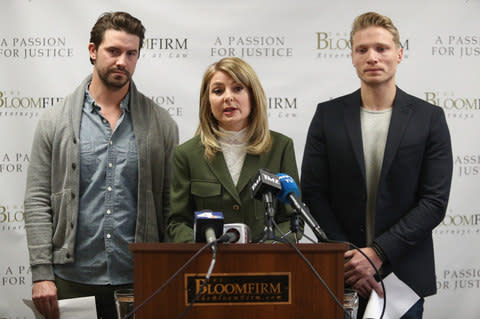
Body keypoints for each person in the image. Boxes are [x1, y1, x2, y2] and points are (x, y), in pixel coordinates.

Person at [24, 11, 178, 319]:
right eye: (113, 51)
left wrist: (167, 271)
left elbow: (171, 205)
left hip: (140, 279)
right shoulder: (55, 121)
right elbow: (38, 200)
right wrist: (42, 274)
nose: (122, 60)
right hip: (71, 282)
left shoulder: (161, 124)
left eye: (131, 53)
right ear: (93, 51)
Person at [301, 12, 452, 318]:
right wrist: (350, 258)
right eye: (362, 49)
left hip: (403, 279)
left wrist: (377, 254)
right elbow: (314, 194)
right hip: (342, 275)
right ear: (352, 58)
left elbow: (433, 202)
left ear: (399, 53)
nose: (372, 57)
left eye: (381, 48)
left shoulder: (429, 118)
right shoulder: (327, 116)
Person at [167, 57, 299, 243]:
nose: (228, 97)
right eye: (218, 91)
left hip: (266, 265)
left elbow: (292, 219)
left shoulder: (281, 147)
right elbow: (178, 223)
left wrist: (266, 252)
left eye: (238, 88)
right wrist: (205, 250)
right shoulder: (186, 154)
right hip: (208, 264)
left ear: (253, 95)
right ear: (208, 101)